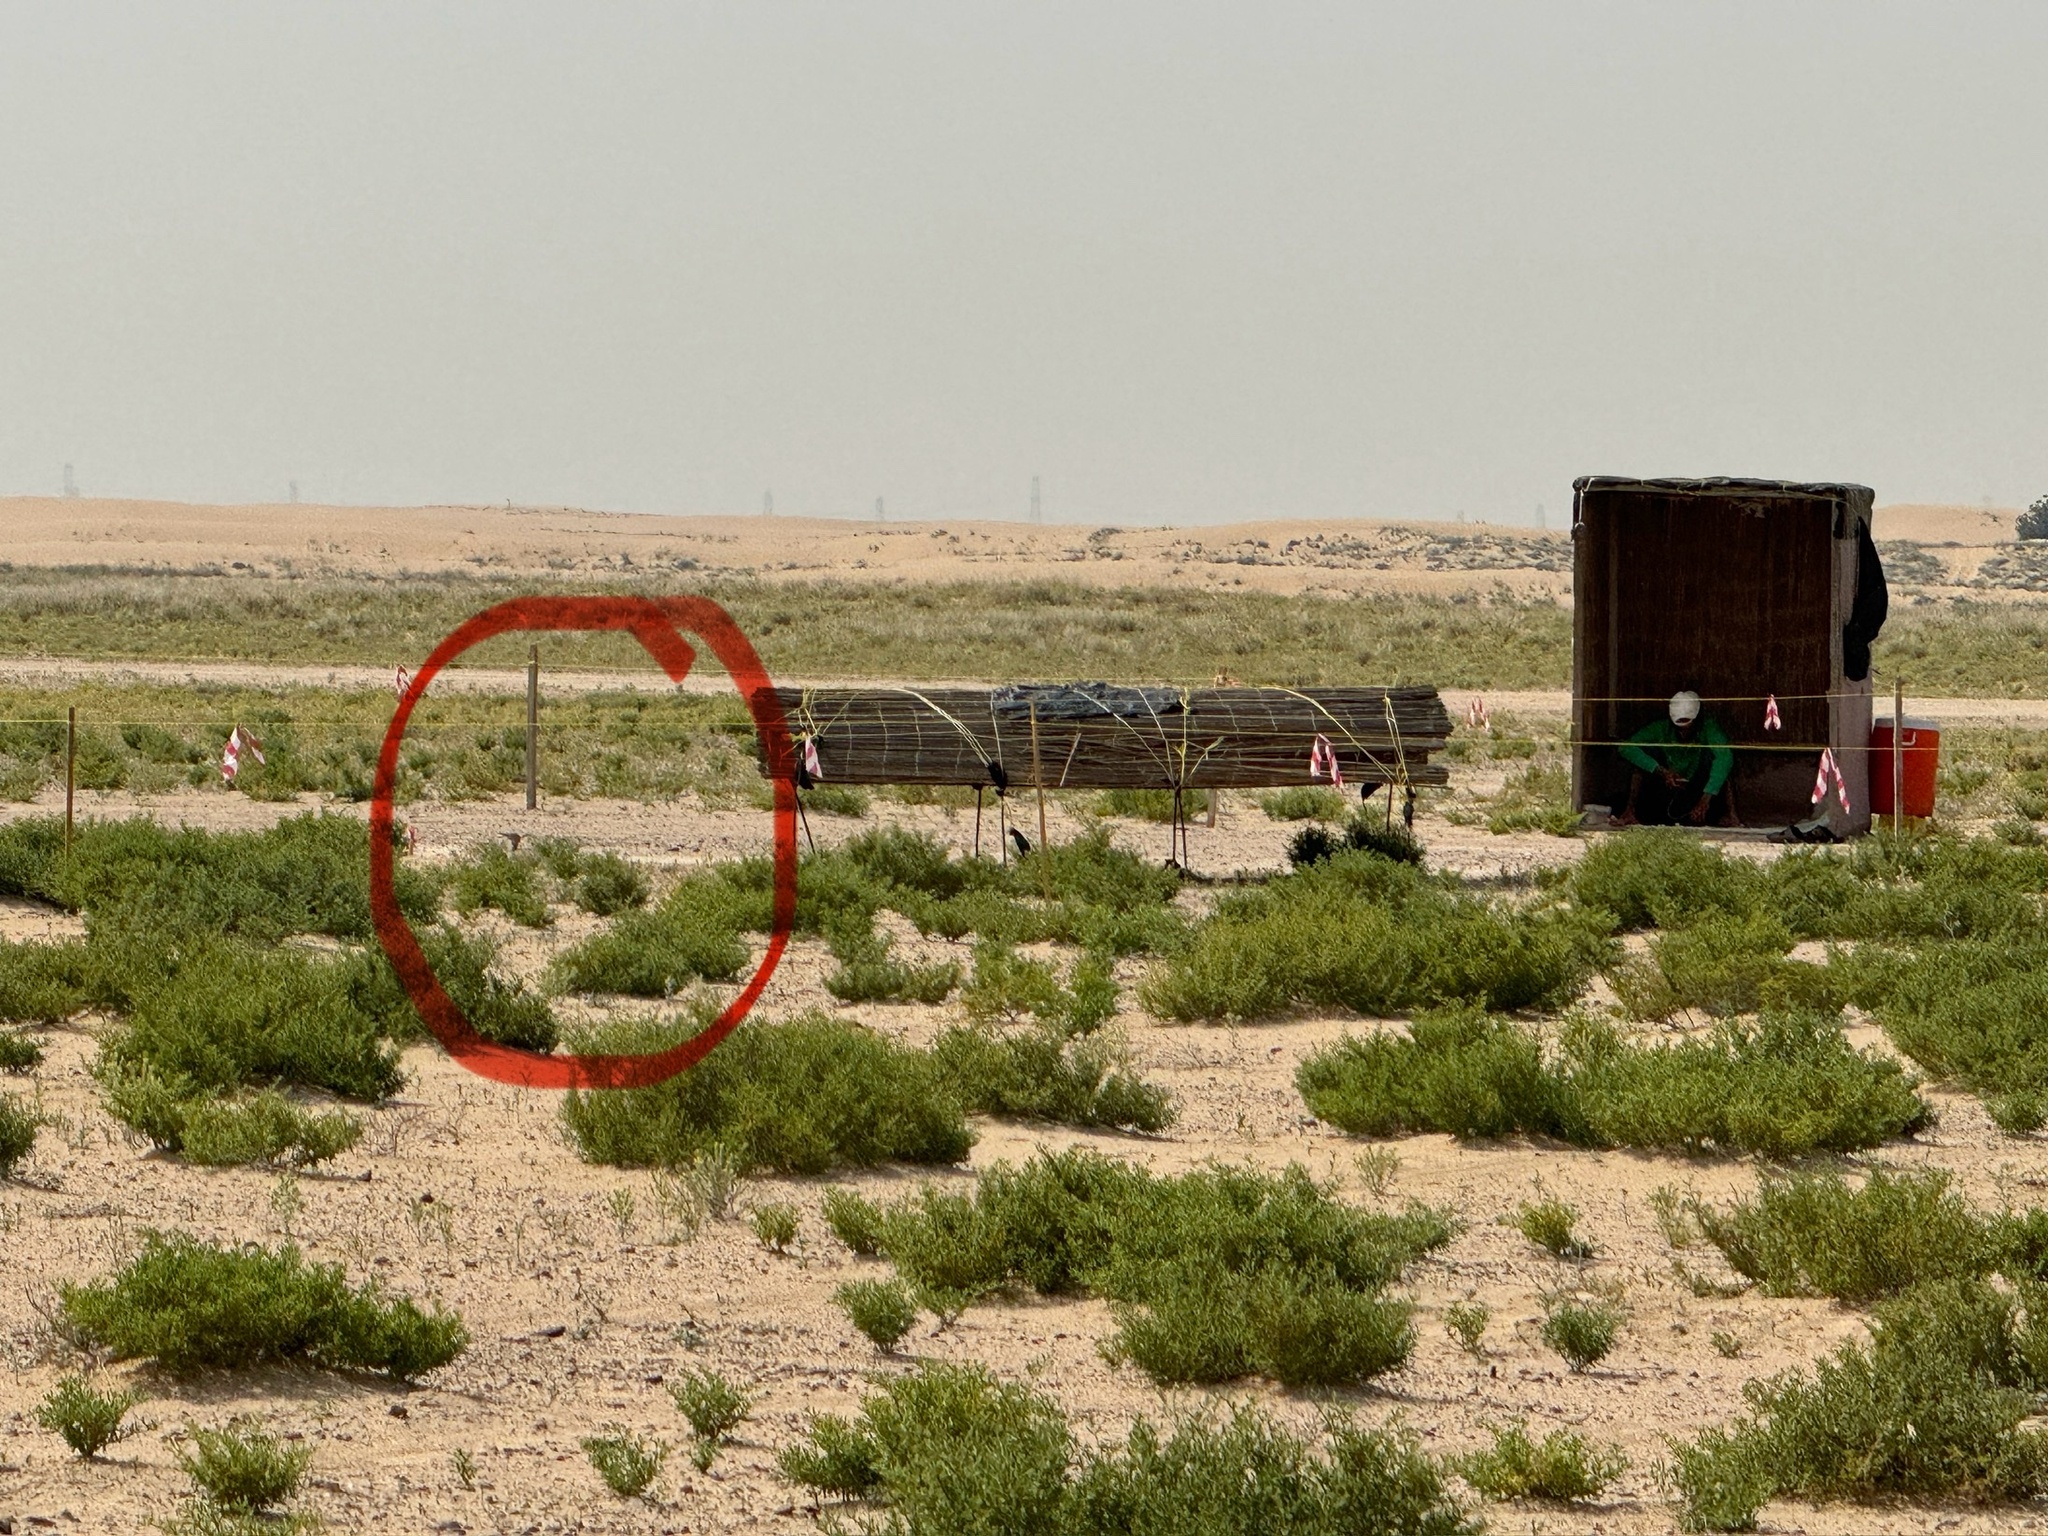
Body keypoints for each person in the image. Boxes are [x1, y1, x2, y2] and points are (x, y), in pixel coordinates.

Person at [1613, 690, 1739, 827]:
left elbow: (1724, 758)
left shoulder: (1709, 728)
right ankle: (1630, 812)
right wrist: (1661, 771)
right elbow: (1626, 748)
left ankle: (1731, 816)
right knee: (1641, 760)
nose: (1683, 734)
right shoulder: (1660, 728)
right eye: (1679, 729)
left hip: (1700, 787)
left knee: (1722, 765)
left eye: (1688, 728)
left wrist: (1706, 798)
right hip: (1667, 786)